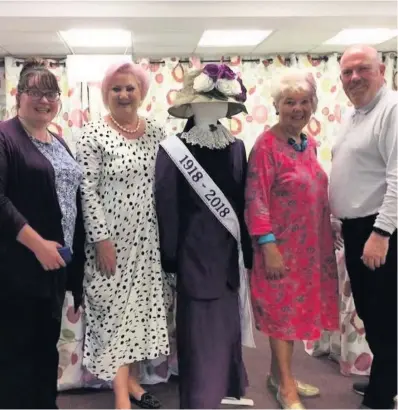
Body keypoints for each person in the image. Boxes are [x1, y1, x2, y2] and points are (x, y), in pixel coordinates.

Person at [154, 64, 254, 409]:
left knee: (226, 335)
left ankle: (221, 395)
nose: (212, 108)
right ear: (191, 107)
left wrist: (248, 252)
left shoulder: (236, 147)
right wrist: (170, 256)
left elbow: (242, 202)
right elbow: (167, 207)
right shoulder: (173, 149)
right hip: (193, 256)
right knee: (198, 337)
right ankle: (198, 400)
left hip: (228, 259)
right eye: (204, 101)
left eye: (218, 102)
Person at [76, 61, 171, 410]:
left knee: (136, 315)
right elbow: (86, 189)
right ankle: (120, 395)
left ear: (141, 92)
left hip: (147, 241)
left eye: (130, 87)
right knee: (112, 315)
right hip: (109, 242)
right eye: (116, 88)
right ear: (105, 94)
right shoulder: (91, 134)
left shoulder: (157, 132)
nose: (124, 94)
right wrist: (101, 240)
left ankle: (130, 382)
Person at [245, 68, 339, 410]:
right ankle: (286, 388)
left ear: (312, 106)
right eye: (289, 102)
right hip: (279, 249)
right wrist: (268, 246)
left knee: (294, 316)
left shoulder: (307, 143)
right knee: (281, 318)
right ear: (277, 106)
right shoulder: (266, 146)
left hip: (309, 250)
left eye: (303, 102)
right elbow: (255, 198)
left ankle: (277, 376)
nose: (297, 108)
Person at [0, 57, 85, 409]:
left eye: (51, 92)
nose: (44, 99)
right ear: (18, 95)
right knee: (17, 355)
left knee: (43, 351)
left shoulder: (58, 141)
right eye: (34, 91)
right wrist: (37, 245)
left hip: (52, 269)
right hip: (18, 268)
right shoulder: (5, 137)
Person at [329, 44, 397, 409]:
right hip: (358, 230)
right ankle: (389, 375)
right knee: (371, 311)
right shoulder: (356, 114)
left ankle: (383, 394)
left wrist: (382, 233)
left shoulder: (392, 110)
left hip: (380, 231)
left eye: (362, 69)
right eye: (347, 73)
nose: (354, 78)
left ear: (381, 70)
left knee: (384, 312)